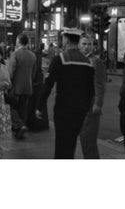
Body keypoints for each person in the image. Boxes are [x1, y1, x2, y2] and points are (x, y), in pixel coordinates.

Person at [36, 28, 95, 159]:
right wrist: (85, 109)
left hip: (63, 110)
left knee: (61, 145)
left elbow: (48, 85)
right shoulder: (87, 62)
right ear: (78, 41)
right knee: (72, 142)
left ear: (66, 40)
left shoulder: (60, 59)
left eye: (63, 38)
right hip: (80, 111)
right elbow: (91, 90)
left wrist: (39, 106)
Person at [78, 35, 107, 159]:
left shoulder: (96, 61)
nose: (87, 47)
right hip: (79, 103)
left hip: (90, 104)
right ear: (79, 45)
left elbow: (100, 84)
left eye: (89, 44)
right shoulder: (78, 59)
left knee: (88, 139)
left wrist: (98, 103)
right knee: (83, 138)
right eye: (84, 44)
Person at [8, 33, 37, 139]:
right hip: (28, 87)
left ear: (18, 41)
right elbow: (34, 73)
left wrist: (8, 84)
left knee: (13, 108)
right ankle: (20, 129)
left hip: (16, 87)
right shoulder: (32, 55)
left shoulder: (15, 54)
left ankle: (19, 125)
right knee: (23, 109)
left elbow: (11, 72)